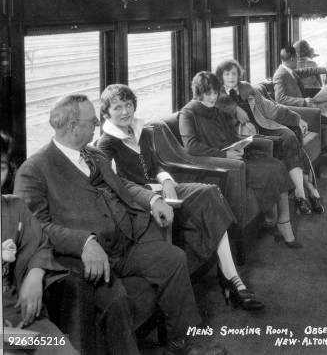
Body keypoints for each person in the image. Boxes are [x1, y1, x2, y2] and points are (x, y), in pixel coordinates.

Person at [14, 95, 225, 355]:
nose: (95, 126)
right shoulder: (34, 169)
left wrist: (153, 199)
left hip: (126, 242)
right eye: (92, 121)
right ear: (72, 126)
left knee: (174, 258)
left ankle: (183, 343)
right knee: (117, 300)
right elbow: (36, 227)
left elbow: (122, 184)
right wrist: (83, 242)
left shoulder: (92, 153)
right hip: (84, 259)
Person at [97, 83, 263, 310]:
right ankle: (232, 280)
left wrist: (165, 180)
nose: (125, 111)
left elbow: (156, 165)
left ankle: (229, 275)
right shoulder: (106, 143)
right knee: (208, 200)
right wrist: (152, 194)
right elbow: (114, 185)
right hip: (141, 202)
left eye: (128, 105)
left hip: (161, 188)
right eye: (117, 108)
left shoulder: (142, 131)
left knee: (209, 191)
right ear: (106, 113)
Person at [179, 71, 302, 248]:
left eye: (215, 92)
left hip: (233, 158)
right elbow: (191, 147)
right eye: (208, 93)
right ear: (198, 93)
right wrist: (225, 155)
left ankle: (282, 223)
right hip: (219, 166)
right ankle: (274, 221)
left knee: (277, 165)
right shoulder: (187, 114)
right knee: (269, 170)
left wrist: (242, 142)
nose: (213, 97)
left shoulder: (216, 111)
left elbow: (229, 136)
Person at [215, 60, 324, 215]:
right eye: (227, 74)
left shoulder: (247, 88)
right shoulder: (216, 96)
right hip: (245, 137)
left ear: (239, 75)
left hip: (263, 126)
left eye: (234, 73)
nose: (231, 77)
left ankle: (300, 194)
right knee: (288, 145)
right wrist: (235, 108)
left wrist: (296, 118)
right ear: (221, 76)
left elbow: (270, 108)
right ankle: (310, 190)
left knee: (289, 136)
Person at [2, 132, 77, 355]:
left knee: (63, 349)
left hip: (16, 313)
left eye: (1, 167)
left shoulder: (14, 207)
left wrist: (35, 274)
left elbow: (39, 244)